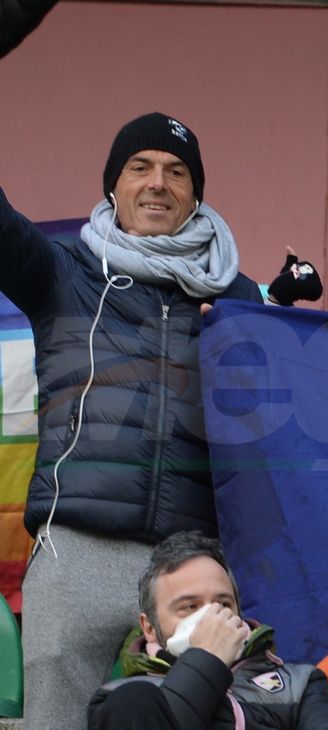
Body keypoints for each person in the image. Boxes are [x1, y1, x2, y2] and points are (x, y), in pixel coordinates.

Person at [0, 111, 264, 729]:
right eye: (139, 167)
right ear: (112, 187)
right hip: (78, 546)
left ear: (196, 194)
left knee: (199, 720)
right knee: (55, 720)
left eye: (177, 172)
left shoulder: (241, 298)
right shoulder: (63, 272)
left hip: (194, 557)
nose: (157, 183)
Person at [88, 531, 328, 729]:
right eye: (190, 607)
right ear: (149, 628)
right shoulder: (116, 699)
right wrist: (208, 659)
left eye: (223, 603)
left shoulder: (299, 683)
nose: (212, 618)